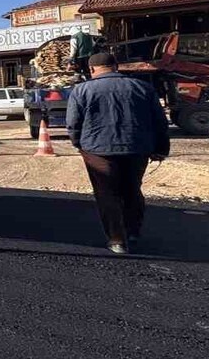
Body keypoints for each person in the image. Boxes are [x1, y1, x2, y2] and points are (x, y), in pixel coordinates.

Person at [66, 52, 170, 254]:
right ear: (116, 66)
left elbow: (73, 123)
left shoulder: (82, 90)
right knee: (132, 189)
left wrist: (79, 144)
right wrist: (160, 148)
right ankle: (133, 231)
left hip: (97, 150)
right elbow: (159, 121)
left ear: (92, 69)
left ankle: (117, 239)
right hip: (137, 147)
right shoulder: (142, 87)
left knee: (107, 193)